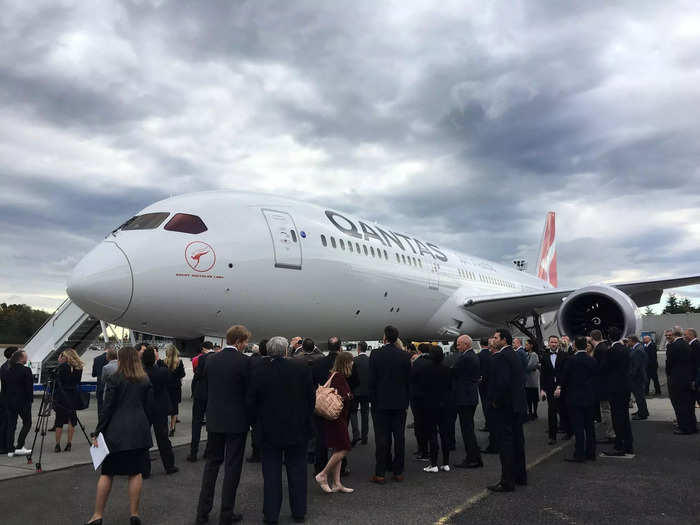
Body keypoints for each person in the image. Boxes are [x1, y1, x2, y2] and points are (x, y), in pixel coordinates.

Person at [247, 336, 315, 523]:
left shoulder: (259, 370)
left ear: (268, 351)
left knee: (271, 475)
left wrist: (256, 424)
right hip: (297, 429)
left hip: (268, 431)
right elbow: (311, 399)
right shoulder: (301, 368)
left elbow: (251, 401)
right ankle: (299, 511)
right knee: (298, 472)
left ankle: (271, 515)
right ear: (286, 351)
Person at [84, 346, 152, 525]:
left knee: (107, 474)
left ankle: (98, 515)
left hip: (116, 431)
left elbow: (107, 408)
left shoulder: (114, 378)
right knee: (135, 473)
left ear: (120, 359)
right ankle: (134, 513)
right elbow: (148, 407)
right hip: (138, 431)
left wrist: (98, 431)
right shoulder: (144, 379)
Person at [196, 325, 252, 525]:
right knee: (232, 468)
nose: (246, 345)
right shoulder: (245, 362)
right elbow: (249, 393)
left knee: (211, 465)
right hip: (237, 422)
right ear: (238, 341)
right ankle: (226, 513)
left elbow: (206, 387)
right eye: (245, 342)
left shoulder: (210, 360)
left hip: (215, 419)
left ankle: (202, 513)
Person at [368, 325, 412, 483]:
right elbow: (408, 381)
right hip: (400, 403)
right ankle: (398, 471)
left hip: (380, 403)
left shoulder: (375, 354)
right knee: (399, 437)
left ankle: (380, 472)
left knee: (381, 438)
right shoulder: (404, 356)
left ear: (385, 338)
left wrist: (372, 399)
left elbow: (371, 380)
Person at [486, 328, 527, 492]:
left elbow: (502, 383)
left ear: (503, 340)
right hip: (517, 405)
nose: (492, 340)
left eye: (495, 338)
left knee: (506, 444)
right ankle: (520, 476)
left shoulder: (501, 356)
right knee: (518, 441)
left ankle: (507, 481)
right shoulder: (514, 354)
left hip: (505, 407)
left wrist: (495, 401)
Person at [314, 352, 355, 493]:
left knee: (338, 448)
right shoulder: (339, 377)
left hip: (336, 418)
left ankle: (337, 483)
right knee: (344, 448)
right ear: (346, 363)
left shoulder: (335, 375)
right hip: (337, 418)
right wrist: (349, 395)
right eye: (351, 361)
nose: (353, 364)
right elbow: (342, 396)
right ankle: (323, 474)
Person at [413, 345, 452, 472]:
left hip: (429, 404)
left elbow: (421, 387)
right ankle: (446, 463)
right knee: (445, 434)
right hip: (445, 404)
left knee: (432, 434)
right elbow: (450, 387)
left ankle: (433, 464)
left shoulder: (425, 369)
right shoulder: (447, 369)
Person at [559, 336, 598, 462]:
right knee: (589, 427)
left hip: (574, 398)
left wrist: (561, 390)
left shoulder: (571, 360)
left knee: (578, 427)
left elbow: (564, 379)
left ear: (574, 346)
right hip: (590, 397)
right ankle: (591, 453)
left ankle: (579, 453)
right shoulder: (592, 360)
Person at [142, 346, 177, 476]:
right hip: (160, 408)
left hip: (146, 408)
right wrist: (160, 362)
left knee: (144, 440)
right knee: (163, 438)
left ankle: (145, 470)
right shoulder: (162, 371)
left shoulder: (142, 372)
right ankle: (169, 466)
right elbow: (171, 379)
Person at [602, 326, 634, 456]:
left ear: (609, 337)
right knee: (624, 417)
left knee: (617, 417)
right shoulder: (625, 349)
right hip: (625, 387)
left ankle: (619, 446)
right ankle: (628, 444)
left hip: (615, 388)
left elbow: (605, 369)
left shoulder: (611, 351)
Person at [451, 335, 482, 469]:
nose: (457, 347)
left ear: (466, 344)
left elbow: (452, 372)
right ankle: (475, 457)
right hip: (470, 397)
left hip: (464, 398)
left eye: (458, 344)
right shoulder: (473, 356)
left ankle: (472, 459)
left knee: (467, 430)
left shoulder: (465, 358)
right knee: (469, 428)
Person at [2, 350, 33, 455]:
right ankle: (19, 445)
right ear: (20, 358)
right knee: (27, 423)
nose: (27, 358)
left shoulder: (7, 370)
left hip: (10, 401)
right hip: (23, 402)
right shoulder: (26, 370)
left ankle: (9, 447)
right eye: (25, 357)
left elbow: (5, 387)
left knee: (11, 425)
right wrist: (30, 400)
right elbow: (29, 388)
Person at [667, 327, 697, 435]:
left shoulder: (673, 346)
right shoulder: (687, 345)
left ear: (674, 335)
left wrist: (669, 375)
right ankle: (692, 426)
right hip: (687, 378)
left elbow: (669, 364)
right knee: (688, 404)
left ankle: (684, 427)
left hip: (677, 379)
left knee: (679, 405)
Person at [188, 341, 214, 462]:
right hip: (212, 395)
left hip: (200, 394)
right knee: (211, 424)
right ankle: (209, 451)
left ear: (203, 349)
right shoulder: (217, 357)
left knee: (196, 423)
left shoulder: (202, 358)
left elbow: (197, 375)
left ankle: (193, 452)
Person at [54, 349, 83, 453]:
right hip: (73, 395)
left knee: (59, 420)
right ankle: (69, 443)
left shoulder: (62, 367)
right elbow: (77, 381)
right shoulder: (79, 367)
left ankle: (57, 444)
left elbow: (57, 382)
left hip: (62, 395)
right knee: (72, 420)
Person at [590, 330, 615, 444]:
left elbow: (600, 367)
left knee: (605, 410)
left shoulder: (599, 350)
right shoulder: (605, 346)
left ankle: (610, 434)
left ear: (591, 338)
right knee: (608, 409)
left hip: (603, 385)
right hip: (608, 383)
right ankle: (611, 432)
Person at [409, 343, 432, 462]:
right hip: (431, 398)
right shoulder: (434, 361)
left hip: (418, 398)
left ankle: (422, 450)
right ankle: (430, 450)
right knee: (430, 424)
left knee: (419, 424)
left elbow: (411, 378)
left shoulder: (417, 363)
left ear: (419, 351)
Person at [162, 344, 185, 437]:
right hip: (175, 388)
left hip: (165, 387)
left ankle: (164, 427)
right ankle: (172, 428)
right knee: (174, 408)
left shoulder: (162, 362)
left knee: (164, 407)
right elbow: (182, 374)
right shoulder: (179, 362)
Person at [350, 341, 370, 446]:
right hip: (366, 392)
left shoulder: (354, 360)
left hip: (355, 391)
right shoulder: (370, 360)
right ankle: (365, 437)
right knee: (365, 414)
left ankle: (356, 435)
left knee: (353, 413)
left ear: (358, 348)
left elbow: (351, 376)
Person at [0, 347, 19, 453]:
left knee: (6, 423)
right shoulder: (9, 367)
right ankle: (7, 446)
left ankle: (5, 445)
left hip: (5, 399)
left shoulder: (6, 366)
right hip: (8, 400)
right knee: (9, 424)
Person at [628, 335, 649, 420]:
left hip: (637, 378)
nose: (628, 342)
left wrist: (630, 375)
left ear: (632, 340)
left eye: (629, 340)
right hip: (639, 377)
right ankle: (642, 411)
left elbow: (636, 366)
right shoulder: (638, 347)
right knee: (639, 396)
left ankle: (642, 414)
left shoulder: (637, 350)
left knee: (639, 396)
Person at [92, 344, 110, 419]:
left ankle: (100, 427)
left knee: (100, 407)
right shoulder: (115, 359)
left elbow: (94, 374)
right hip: (110, 387)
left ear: (104, 349)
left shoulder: (96, 359)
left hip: (100, 386)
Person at [524, 339, 541, 420]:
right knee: (529, 397)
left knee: (533, 397)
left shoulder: (533, 354)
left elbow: (529, 366)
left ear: (531, 345)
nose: (525, 346)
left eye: (527, 344)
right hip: (528, 378)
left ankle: (534, 413)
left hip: (532, 378)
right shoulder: (527, 354)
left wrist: (524, 367)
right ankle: (530, 412)